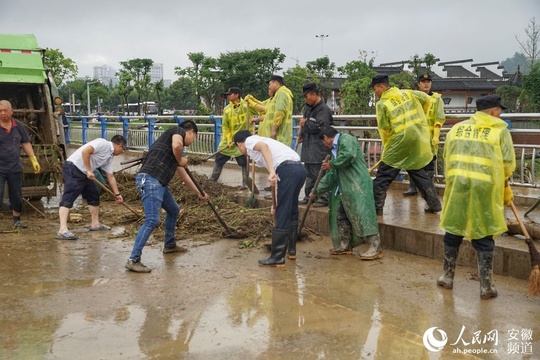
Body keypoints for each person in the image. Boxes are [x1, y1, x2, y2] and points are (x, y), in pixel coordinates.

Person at [438, 95, 515, 300]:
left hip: (458, 185)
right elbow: (507, 163)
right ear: (492, 111)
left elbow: (446, 155)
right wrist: (505, 183)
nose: (500, 115)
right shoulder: (499, 130)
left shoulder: (457, 128)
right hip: (485, 188)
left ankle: (447, 277)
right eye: (500, 111)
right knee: (483, 232)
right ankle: (485, 287)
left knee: (454, 229)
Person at [126, 120, 209, 273]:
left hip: (159, 183)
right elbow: (178, 146)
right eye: (194, 137)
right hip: (150, 180)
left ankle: (169, 245)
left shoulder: (173, 149)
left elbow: (184, 177)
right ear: (190, 132)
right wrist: (180, 159)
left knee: (173, 210)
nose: (192, 141)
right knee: (152, 219)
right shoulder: (177, 131)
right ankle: (133, 259)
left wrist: (199, 193)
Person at [370, 74, 441, 215]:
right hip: (417, 138)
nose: (375, 93)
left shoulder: (382, 104)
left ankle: (376, 209)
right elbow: (427, 99)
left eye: (375, 89)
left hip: (398, 141)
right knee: (417, 170)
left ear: (382, 87)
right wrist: (421, 116)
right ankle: (434, 203)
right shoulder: (408, 93)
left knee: (383, 177)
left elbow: (384, 129)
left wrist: (387, 149)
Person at [234, 130, 306, 265]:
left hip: (288, 170)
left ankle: (277, 257)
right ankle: (291, 251)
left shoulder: (250, 141)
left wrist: (272, 170)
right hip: (298, 170)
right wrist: (275, 203)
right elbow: (277, 179)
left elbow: (264, 148)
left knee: (283, 212)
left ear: (239, 144)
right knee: (291, 209)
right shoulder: (266, 143)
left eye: (238, 148)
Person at [312, 126, 383, 259]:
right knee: (342, 215)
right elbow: (331, 174)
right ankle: (346, 244)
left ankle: (376, 247)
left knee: (364, 214)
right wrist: (315, 191)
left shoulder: (346, 139)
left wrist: (332, 164)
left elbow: (349, 155)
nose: (324, 145)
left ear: (326, 138)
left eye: (323, 142)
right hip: (347, 188)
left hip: (358, 184)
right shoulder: (335, 150)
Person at [56, 135, 127, 240]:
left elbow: (110, 176)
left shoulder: (109, 157)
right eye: (123, 149)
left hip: (86, 173)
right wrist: (89, 170)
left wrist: (117, 194)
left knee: (93, 194)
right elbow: (85, 152)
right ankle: (62, 230)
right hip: (74, 168)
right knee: (69, 197)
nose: (122, 152)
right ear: (119, 146)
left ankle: (95, 224)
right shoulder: (102, 144)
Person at [403, 73, 446, 196]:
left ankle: (428, 191)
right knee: (413, 162)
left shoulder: (436, 99)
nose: (426, 84)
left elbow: (439, 118)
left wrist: (436, 136)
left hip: (429, 138)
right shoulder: (414, 98)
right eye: (423, 81)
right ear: (419, 84)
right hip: (416, 137)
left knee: (429, 165)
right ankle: (413, 187)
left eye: (428, 81)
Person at [0, 100, 41, 228]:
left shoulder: (18, 126)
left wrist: (33, 159)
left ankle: (17, 219)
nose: (2, 113)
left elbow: (26, 142)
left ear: (11, 111)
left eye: (5, 111)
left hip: (14, 167)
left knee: (16, 194)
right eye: (0, 111)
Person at [209, 87, 257, 190]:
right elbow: (225, 126)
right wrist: (229, 139)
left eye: (230, 94)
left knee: (244, 162)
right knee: (219, 159)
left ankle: (245, 183)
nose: (228, 96)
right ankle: (212, 180)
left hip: (242, 140)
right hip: (229, 141)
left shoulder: (247, 105)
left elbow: (261, 111)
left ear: (236, 95)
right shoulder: (227, 109)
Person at [298, 83, 333, 207]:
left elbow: (321, 127)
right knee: (310, 173)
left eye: (306, 96)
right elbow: (305, 124)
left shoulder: (323, 109)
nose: (305, 99)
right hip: (308, 147)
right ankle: (309, 196)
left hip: (319, 147)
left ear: (313, 94)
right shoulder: (308, 109)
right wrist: (302, 132)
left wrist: (305, 125)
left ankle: (323, 197)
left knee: (319, 173)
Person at [246, 75, 293, 146]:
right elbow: (268, 113)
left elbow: (280, 112)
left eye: (270, 84)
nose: (269, 87)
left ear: (276, 83)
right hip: (277, 135)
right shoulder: (278, 95)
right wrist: (252, 100)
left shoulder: (282, 93)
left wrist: (273, 130)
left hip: (279, 135)